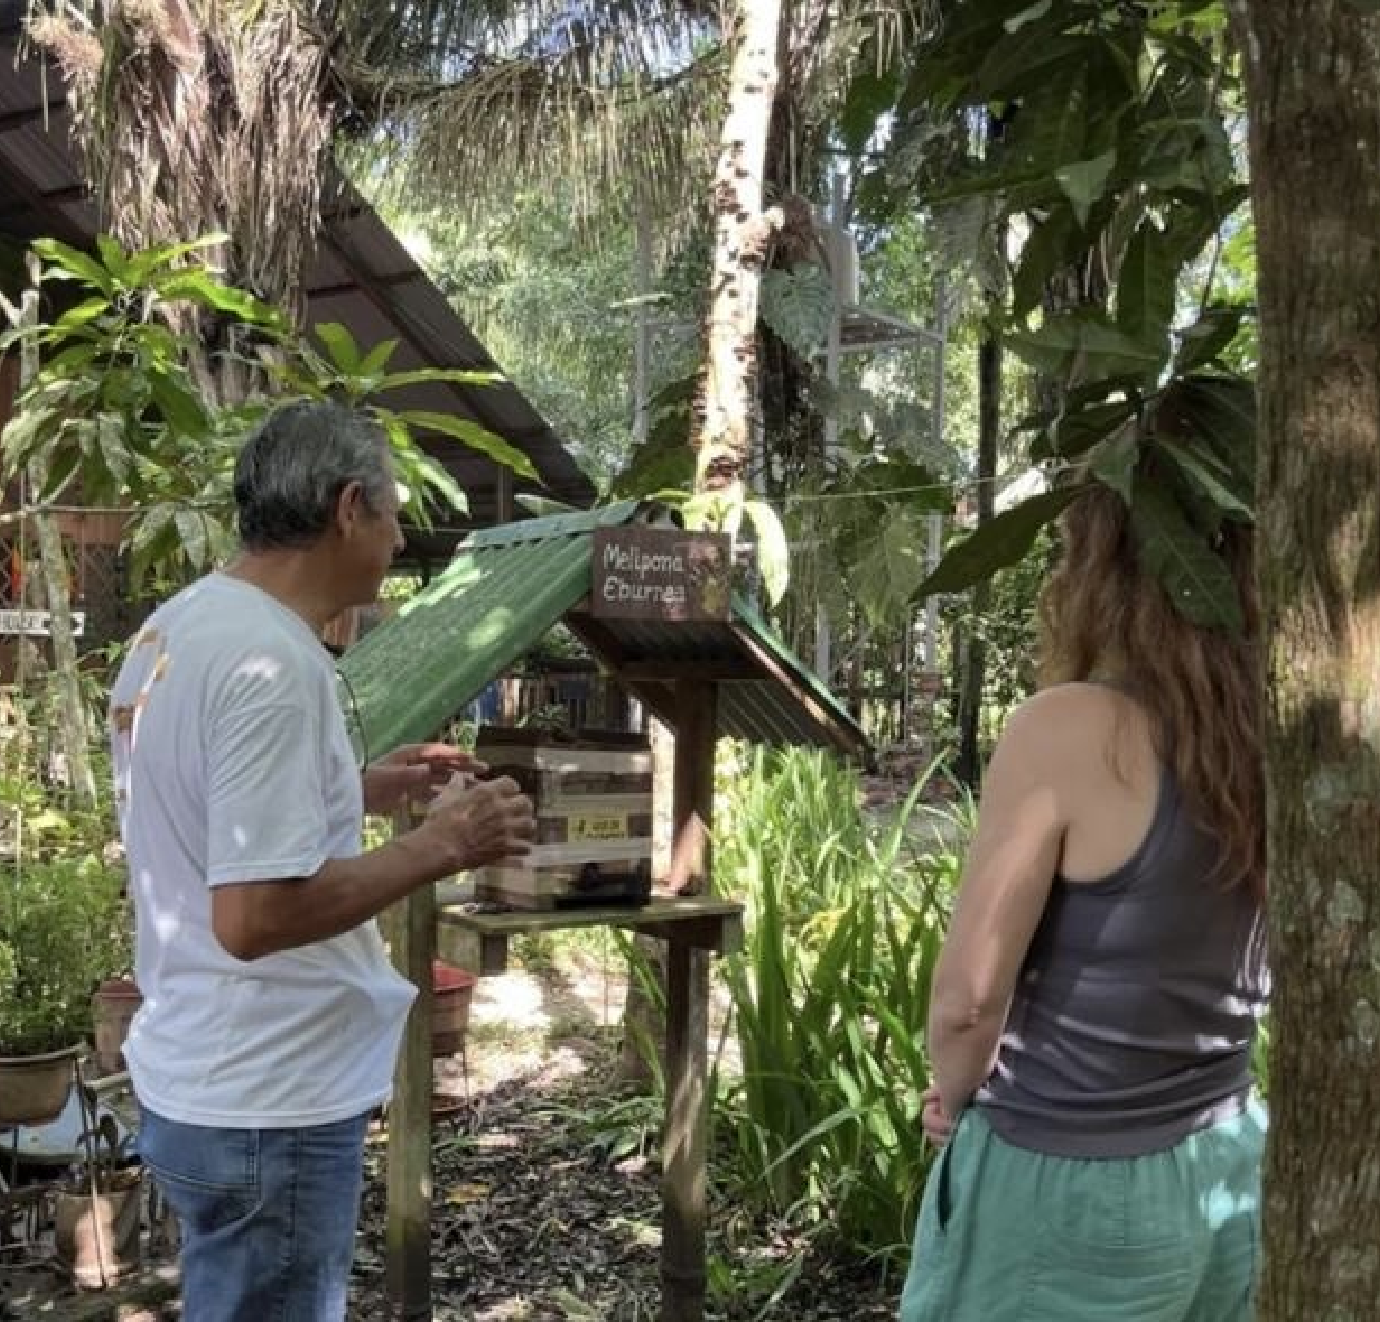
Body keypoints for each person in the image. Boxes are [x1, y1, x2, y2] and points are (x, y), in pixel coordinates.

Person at [109, 400, 536, 1322]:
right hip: (270, 1098)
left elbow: (208, 806)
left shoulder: (175, 632)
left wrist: (357, 787)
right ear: (349, 508)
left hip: (202, 1077)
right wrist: (444, 844)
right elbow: (255, 915)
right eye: (392, 515)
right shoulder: (273, 663)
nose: (397, 540)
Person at [900, 482, 1269, 1322]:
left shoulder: (1067, 729)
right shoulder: (1273, 734)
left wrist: (953, 1094)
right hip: (1230, 1165)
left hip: (1068, 1187)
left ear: (1098, 567)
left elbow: (967, 1003)